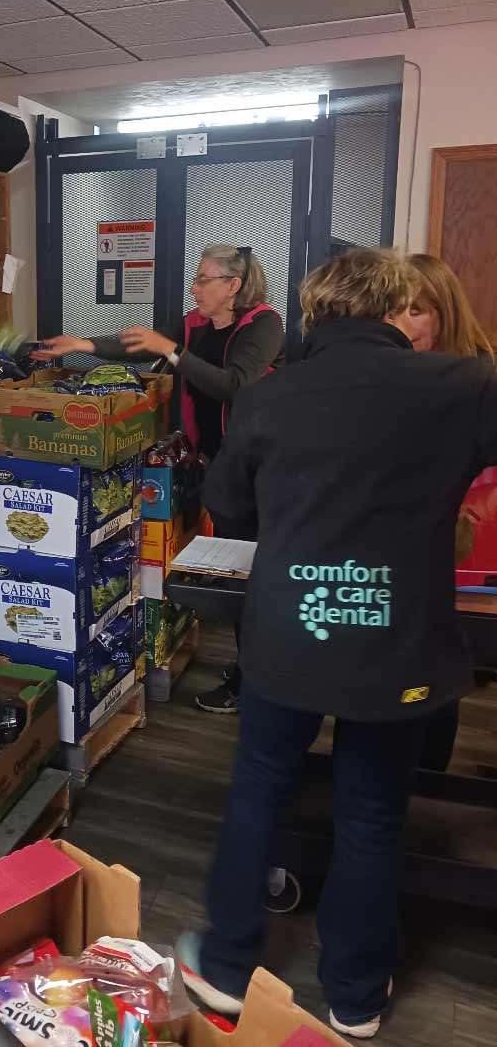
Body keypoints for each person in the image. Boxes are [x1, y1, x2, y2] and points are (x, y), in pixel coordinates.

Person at [174, 249, 497, 1038]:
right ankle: (354, 995)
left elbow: (230, 507)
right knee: (372, 813)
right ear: (395, 310)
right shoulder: (465, 386)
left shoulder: (270, 398)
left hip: (289, 632)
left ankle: (223, 972)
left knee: (258, 790)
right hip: (399, 641)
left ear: (313, 313)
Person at [34, 244, 285, 713]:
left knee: (256, 572)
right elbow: (141, 346)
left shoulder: (265, 326)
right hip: (218, 461)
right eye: (196, 278)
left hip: (263, 466)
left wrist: (171, 351)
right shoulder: (193, 325)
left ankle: (260, 680)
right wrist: (84, 345)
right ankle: (252, 670)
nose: (194, 288)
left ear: (233, 286)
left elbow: (235, 384)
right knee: (238, 571)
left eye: (203, 279)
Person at [406, 255, 495, 770]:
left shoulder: (479, 377)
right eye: (395, 310)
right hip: (402, 547)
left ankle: (425, 781)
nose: (403, 323)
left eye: (417, 311)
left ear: (445, 312)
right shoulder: (392, 373)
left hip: (461, 553)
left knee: (438, 681)